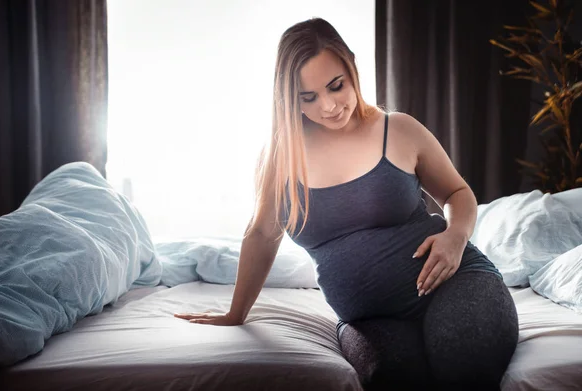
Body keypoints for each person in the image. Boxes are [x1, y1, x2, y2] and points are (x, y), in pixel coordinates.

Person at [175, 17, 519, 391]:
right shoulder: (281, 158)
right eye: (308, 97)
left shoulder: (399, 129)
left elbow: (457, 193)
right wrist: (235, 313)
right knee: (395, 378)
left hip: (457, 283)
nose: (328, 106)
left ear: (351, 67)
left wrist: (456, 235)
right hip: (368, 319)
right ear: (289, 98)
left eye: (336, 86)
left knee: (461, 363)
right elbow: (261, 235)